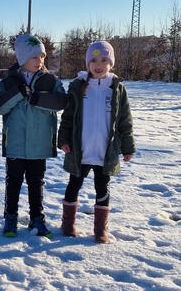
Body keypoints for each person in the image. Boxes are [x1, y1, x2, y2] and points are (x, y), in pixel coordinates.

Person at [58, 40, 135, 244]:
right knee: (73, 184)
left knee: (102, 189)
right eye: (93, 60)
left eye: (103, 60)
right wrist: (64, 139)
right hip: (80, 151)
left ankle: (100, 229)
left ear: (111, 63)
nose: (98, 64)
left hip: (104, 152)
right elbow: (67, 117)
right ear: (87, 63)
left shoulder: (116, 89)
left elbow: (125, 121)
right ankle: (68, 224)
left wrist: (127, 147)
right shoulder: (78, 87)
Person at [0, 34, 68, 238]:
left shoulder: (50, 80)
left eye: (42, 57)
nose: (40, 61)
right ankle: (10, 217)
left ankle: (37, 217)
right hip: (16, 144)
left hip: (39, 144)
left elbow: (61, 102)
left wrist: (36, 98)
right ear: (22, 59)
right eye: (35, 57)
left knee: (36, 182)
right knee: (13, 182)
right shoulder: (10, 81)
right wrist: (18, 93)